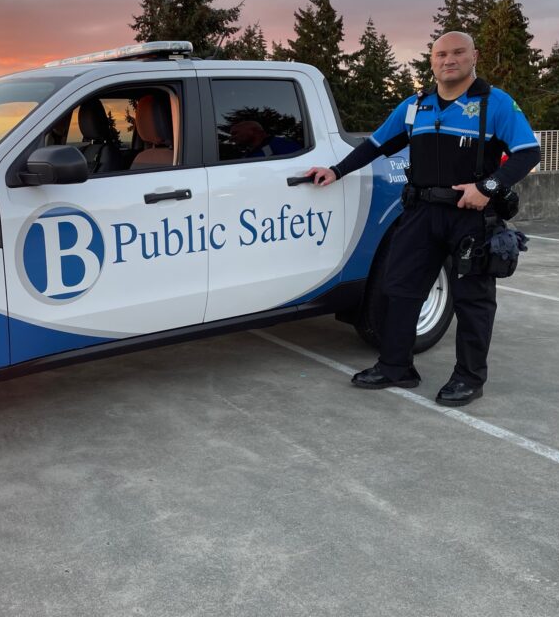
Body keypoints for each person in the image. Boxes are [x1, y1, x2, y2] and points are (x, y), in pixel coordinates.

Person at [306, 31, 541, 406]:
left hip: (471, 217)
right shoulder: (416, 106)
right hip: (420, 213)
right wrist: (336, 170)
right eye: (440, 54)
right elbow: (376, 144)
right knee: (399, 289)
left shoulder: (494, 103)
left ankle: (469, 378)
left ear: (474, 56)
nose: (449, 60)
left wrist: (488, 187)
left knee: (472, 301)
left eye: (458, 52)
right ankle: (396, 366)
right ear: (431, 61)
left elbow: (528, 152)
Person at [228, 119, 301, 159]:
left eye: (235, 133)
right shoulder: (246, 154)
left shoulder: (282, 145)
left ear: (253, 131)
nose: (231, 138)